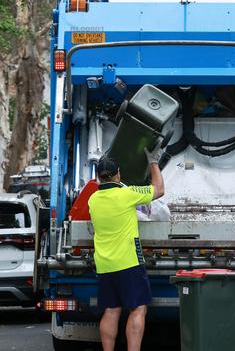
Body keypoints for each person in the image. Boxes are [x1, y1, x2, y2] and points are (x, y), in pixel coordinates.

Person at [88, 145, 165, 351]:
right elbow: (159, 190)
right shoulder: (127, 194)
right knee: (138, 309)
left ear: (99, 177)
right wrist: (153, 162)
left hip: (105, 264)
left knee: (111, 310)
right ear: (118, 174)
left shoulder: (92, 200)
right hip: (128, 262)